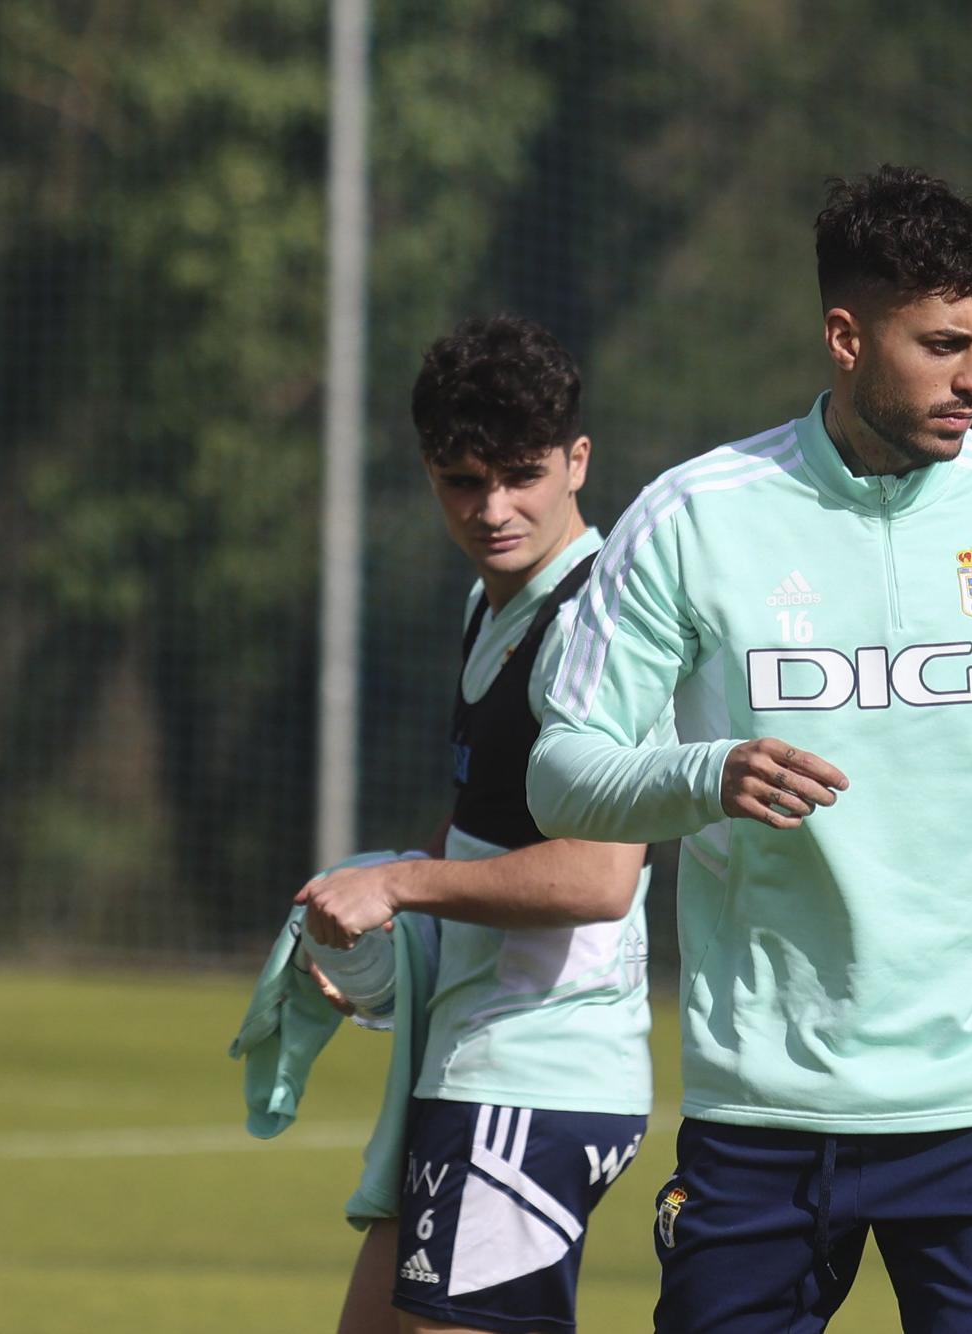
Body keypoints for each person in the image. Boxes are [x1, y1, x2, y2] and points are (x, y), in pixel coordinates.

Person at [527, 165, 972, 1332]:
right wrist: (705, 773)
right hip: (763, 1113)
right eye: (941, 343)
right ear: (844, 336)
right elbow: (560, 769)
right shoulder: (697, 515)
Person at [297, 315, 662, 1334]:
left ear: (576, 459)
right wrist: (386, 941)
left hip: (538, 1073)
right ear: (428, 472)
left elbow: (597, 876)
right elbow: (484, 827)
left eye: (520, 474)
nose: (493, 507)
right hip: (470, 1063)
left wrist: (399, 886)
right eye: (462, 480)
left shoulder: (596, 625)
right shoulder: (487, 604)